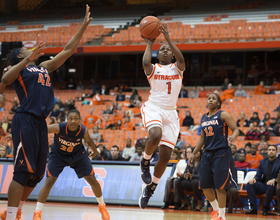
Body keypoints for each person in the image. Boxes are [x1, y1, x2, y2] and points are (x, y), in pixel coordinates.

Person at [0, 5, 93, 220]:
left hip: (40, 123)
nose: (27, 50)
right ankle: (12, 215)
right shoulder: (17, 69)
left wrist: (83, 27)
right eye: (23, 51)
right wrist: (24, 59)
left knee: (37, 174)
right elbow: (4, 80)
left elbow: (67, 51)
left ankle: (18, 210)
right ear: (18, 56)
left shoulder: (43, 66)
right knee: (22, 172)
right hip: (24, 120)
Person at [138, 23, 185, 209]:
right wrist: (150, 44)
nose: (165, 51)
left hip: (171, 112)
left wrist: (168, 40)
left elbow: (182, 59)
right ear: (158, 55)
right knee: (155, 135)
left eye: (168, 50)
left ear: (172, 54)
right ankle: (145, 161)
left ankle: (150, 188)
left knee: (165, 155)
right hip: (154, 107)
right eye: (162, 49)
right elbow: (144, 63)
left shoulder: (178, 68)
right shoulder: (154, 69)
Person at [32, 109, 109, 219]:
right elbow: (42, 129)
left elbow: (89, 141)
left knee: (92, 179)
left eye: (76, 119)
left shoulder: (83, 130)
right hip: (58, 155)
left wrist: (95, 150)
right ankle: (37, 213)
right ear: (67, 120)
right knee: (49, 182)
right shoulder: (59, 127)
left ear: (79, 120)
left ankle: (102, 206)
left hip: (78, 155)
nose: (73, 121)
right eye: (71, 119)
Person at [189, 93, 239, 220]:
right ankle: (216, 210)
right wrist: (193, 153)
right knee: (204, 185)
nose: (210, 100)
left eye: (214, 98)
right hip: (207, 153)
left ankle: (222, 216)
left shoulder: (223, 115)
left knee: (219, 186)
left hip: (221, 152)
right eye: (209, 98)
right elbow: (202, 138)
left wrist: (233, 136)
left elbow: (236, 129)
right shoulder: (204, 118)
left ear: (218, 103)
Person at [246, 145, 280, 215]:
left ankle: (265, 208)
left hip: (275, 185)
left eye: (273, 150)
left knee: (270, 185)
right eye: (269, 150)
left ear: (276, 152)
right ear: (267, 151)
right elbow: (258, 175)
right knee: (250, 184)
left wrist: (274, 180)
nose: (271, 151)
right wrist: (254, 179)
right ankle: (253, 208)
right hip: (263, 184)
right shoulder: (262, 162)